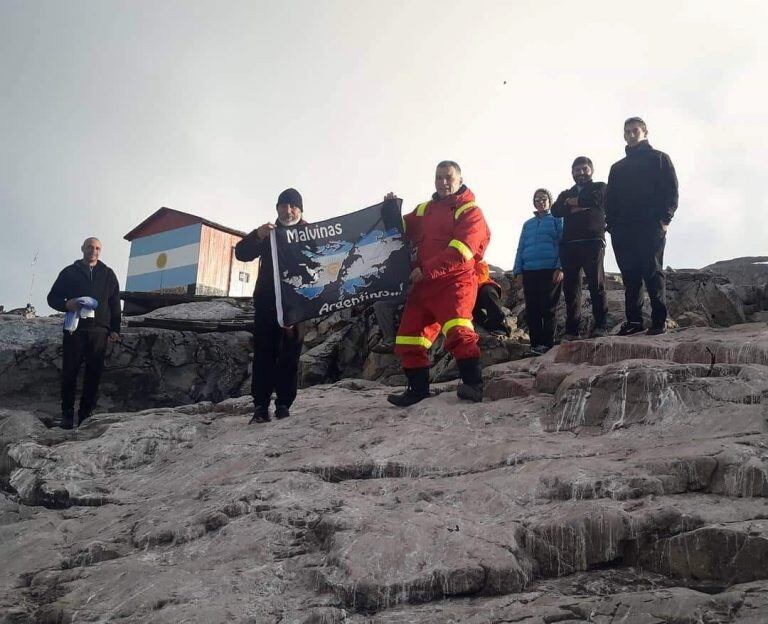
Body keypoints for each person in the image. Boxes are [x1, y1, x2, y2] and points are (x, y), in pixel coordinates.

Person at [386, 160, 491, 407]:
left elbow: (461, 250)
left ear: (460, 180)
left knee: (458, 330)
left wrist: (426, 269)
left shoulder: (470, 211)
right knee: (408, 337)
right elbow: (401, 228)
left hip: (454, 283)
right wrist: (389, 210)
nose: (443, 182)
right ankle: (418, 390)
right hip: (424, 285)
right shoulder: (425, 209)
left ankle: (473, 384)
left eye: (449, 177)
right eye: (439, 177)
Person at [235, 188, 307, 424]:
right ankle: (260, 406)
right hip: (267, 304)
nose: (288, 211)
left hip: (295, 307)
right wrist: (257, 235)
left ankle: (284, 404)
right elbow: (242, 253)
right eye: (283, 206)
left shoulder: (310, 233)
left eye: (293, 206)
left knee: (290, 356)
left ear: (300, 209)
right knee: (264, 355)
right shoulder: (268, 233)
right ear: (277, 208)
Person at [606, 117, 679, 335]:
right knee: (630, 276)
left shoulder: (659, 159)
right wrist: (612, 226)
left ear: (645, 132)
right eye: (626, 131)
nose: (630, 134)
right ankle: (634, 322)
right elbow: (610, 199)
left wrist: (665, 219)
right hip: (623, 229)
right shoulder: (617, 168)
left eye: (634, 130)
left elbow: (671, 191)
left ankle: (659, 321)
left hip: (650, 226)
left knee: (652, 272)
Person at [47, 237, 121, 429]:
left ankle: (85, 415)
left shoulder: (108, 274)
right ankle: (67, 416)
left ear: (100, 251)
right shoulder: (69, 272)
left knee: (94, 374)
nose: (93, 250)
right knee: (69, 373)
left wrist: (115, 328)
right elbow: (52, 297)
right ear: (82, 249)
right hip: (75, 330)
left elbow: (114, 303)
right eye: (90, 247)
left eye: (97, 248)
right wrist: (66, 304)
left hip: (99, 331)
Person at [551, 156, 609, 340]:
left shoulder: (600, 186)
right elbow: (556, 210)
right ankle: (572, 330)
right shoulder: (565, 193)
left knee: (596, 284)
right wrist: (578, 204)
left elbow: (595, 199)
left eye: (585, 169)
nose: (581, 172)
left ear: (591, 170)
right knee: (571, 289)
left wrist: (572, 203)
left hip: (593, 241)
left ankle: (601, 326)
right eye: (577, 170)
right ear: (572, 173)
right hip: (569, 245)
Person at [512, 189, 563, 355]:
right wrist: (518, 270)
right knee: (532, 309)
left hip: (550, 270)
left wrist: (560, 267)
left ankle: (547, 344)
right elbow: (521, 247)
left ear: (550, 201)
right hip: (529, 271)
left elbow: (564, 243)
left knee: (548, 308)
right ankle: (535, 345)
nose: (540, 201)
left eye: (544, 198)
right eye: (537, 199)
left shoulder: (557, 219)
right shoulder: (528, 224)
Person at [473, 259, 510, 336]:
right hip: (467, 294)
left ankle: (499, 325)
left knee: (487, 292)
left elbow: (482, 275)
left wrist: (468, 286)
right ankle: (487, 325)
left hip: (482, 287)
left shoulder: (475, 256)